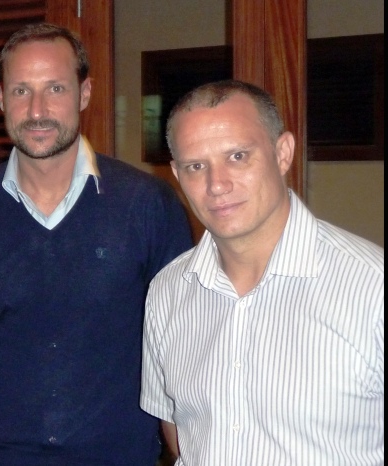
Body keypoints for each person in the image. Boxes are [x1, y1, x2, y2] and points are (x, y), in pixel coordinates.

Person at [0, 23, 193, 465]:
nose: (37, 110)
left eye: (55, 88)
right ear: (0, 98)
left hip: (117, 454)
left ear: (84, 93)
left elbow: (180, 335)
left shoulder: (148, 204)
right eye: (21, 91)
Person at [140, 79, 385, 465]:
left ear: (283, 153)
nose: (217, 184)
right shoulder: (167, 291)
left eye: (237, 156)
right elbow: (179, 433)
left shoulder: (373, 288)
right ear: (176, 173)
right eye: (196, 166)